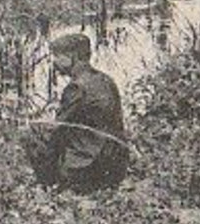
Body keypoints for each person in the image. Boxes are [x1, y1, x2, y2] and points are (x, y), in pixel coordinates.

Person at [24, 32, 130, 193]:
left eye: (57, 56)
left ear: (72, 57)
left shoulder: (76, 87)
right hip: (116, 162)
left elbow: (56, 130)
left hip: (89, 165)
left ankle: (51, 185)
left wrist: (34, 125)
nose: (54, 62)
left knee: (33, 132)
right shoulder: (106, 80)